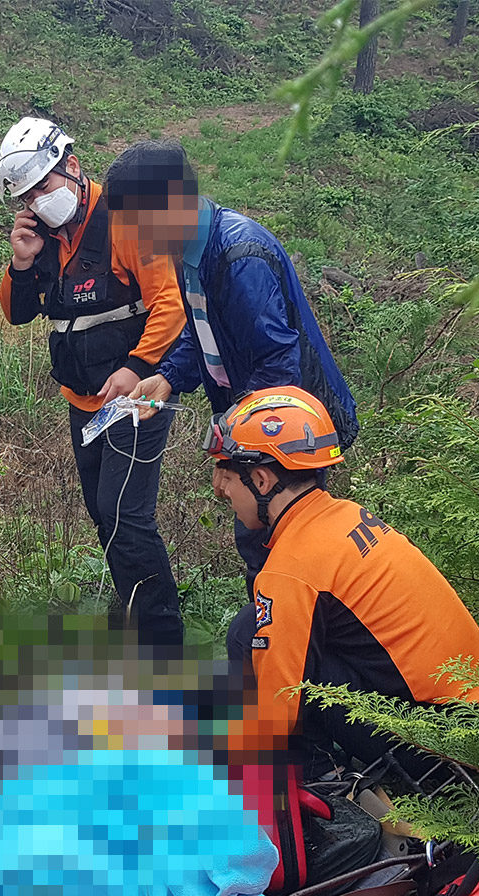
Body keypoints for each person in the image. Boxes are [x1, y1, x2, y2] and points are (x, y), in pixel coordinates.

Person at [206, 387, 479, 895]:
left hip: (441, 751)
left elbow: (275, 711)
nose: (217, 489)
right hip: (478, 722)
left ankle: (313, 800)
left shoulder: (292, 569)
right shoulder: (342, 519)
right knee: (248, 630)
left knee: (256, 656)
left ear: (261, 478)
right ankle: (325, 780)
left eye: (224, 475)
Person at [105, 139, 360, 584]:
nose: (136, 239)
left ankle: (283, 637)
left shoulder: (240, 256)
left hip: (287, 434)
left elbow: (278, 367)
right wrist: (167, 377)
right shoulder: (190, 252)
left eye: (140, 224)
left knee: (282, 547)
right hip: (255, 425)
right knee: (260, 542)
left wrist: (237, 448)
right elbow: (202, 326)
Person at [0, 117, 189, 653]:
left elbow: (169, 304)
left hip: (136, 396)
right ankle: (131, 616)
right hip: (84, 402)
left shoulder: (123, 220)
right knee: (104, 516)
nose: (38, 201)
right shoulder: (45, 238)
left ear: (72, 167)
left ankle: (162, 643)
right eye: (28, 196)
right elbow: (16, 314)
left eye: (44, 186)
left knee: (127, 515)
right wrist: (21, 261)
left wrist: (137, 365)